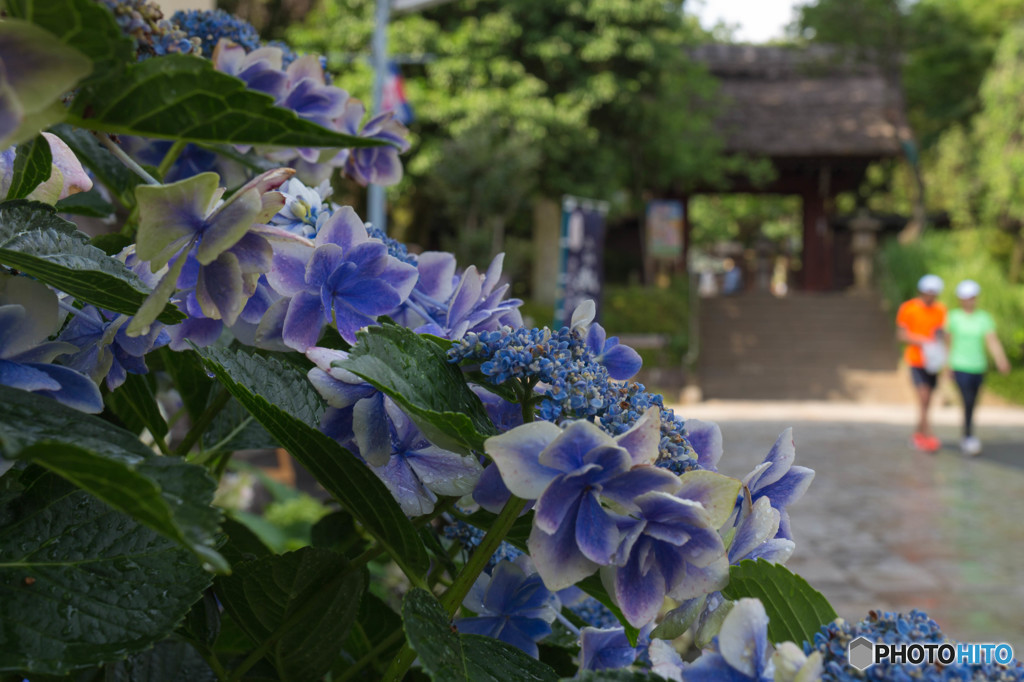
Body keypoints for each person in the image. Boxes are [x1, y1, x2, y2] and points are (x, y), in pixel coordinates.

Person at [946, 279, 1011, 456]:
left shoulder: (984, 318)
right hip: (960, 365)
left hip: (978, 366)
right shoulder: (953, 317)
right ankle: (968, 435)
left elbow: (992, 340)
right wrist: (947, 365)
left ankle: (968, 432)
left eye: (972, 297)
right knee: (966, 400)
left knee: (973, 402)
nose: (970, 301)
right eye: (966, 297)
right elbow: (948, 342)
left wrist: (1001, 359)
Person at [896, 274, 947, 452]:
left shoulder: (940, 310)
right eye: (928, 292)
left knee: (927, 401)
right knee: (923, 396)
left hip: (933, 361)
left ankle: (917, 434)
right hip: (916, 359)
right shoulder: (909, 308)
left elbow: (941, 333)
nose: (930, 296)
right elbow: (901, 334)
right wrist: (923, 341)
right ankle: (929, 434)